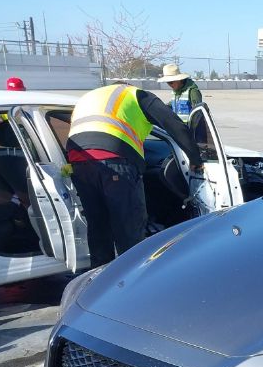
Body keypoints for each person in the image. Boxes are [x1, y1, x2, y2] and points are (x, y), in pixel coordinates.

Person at [66, 82, 203, 267]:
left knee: (98, 225)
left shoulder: (91, 96)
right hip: (115, 161)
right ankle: (131, 279)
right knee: (128, 226)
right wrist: (195, 158)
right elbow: (173, 123)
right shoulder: (136, 95)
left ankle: (98, 279)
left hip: (79, 161)